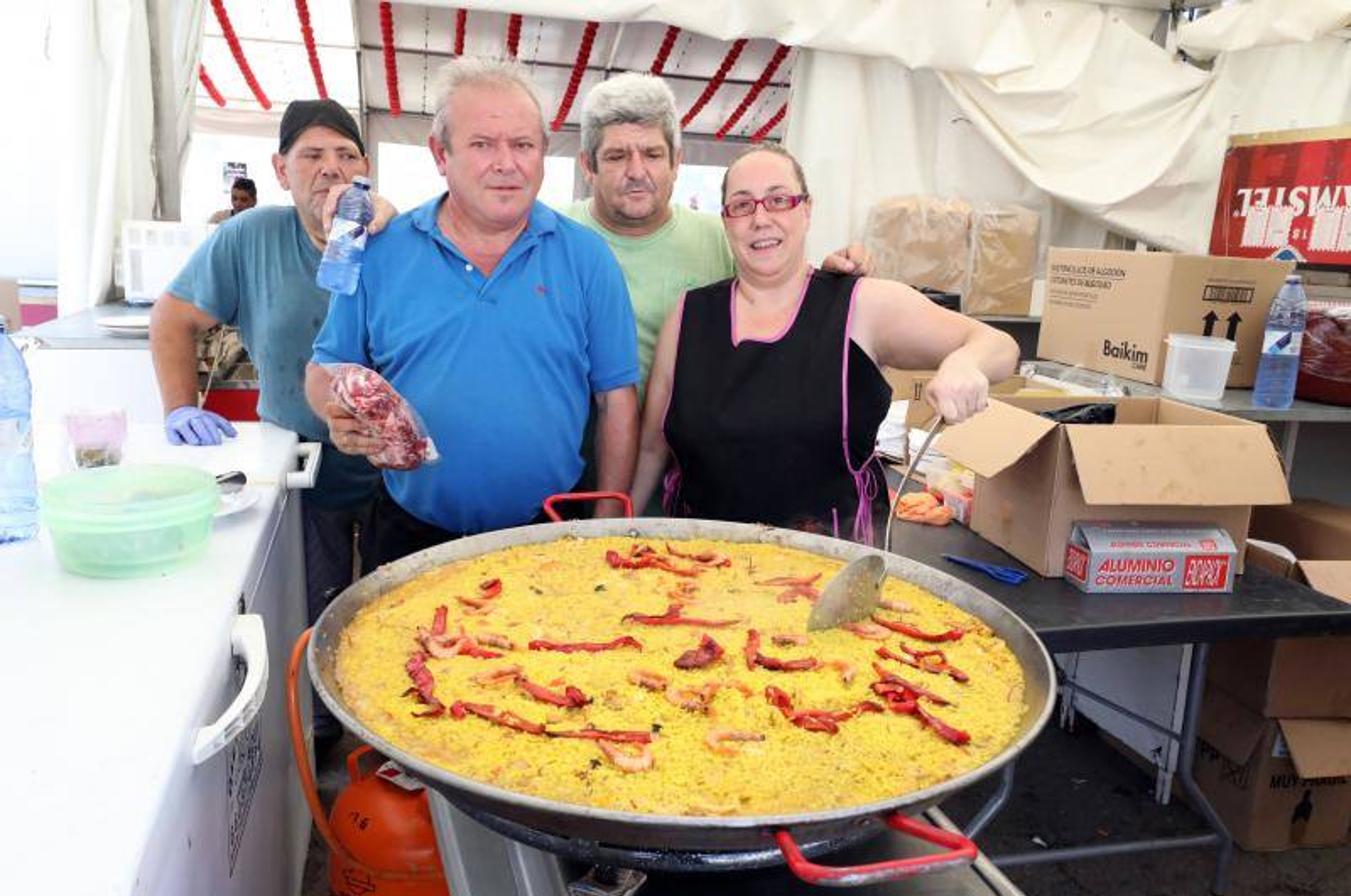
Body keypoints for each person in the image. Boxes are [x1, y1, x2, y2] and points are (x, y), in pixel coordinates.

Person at [305, 57, 639, 567]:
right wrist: (335, 413)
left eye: (523, 145)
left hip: (550, 535)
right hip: (410, 535)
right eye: (482, 144)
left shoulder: (587, 258)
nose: (506, 163)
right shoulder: (381, 250)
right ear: (441, 154)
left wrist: (606, 524)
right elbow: (325, 368)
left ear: (545, 154)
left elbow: (616, 399)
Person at [150, 99, 397, 750]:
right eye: (311, 156)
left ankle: (384, 744)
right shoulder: (249, 237)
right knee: (307, 608)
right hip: (295, 462)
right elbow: (172, 319)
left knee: (388, 611)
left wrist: (392, 227)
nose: (329, 170)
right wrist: (180, 405)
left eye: (345, 155)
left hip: (388, 465)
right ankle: (312, 744)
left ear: (367, 169)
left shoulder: (392, 234)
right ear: (280, 169)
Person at [631, 144, 1019, 547]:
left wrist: (966, 362)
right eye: (742, 205)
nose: (761, 218)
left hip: (829, 577)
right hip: (693, 571)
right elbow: (651, 449)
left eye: (779, 200)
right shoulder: (689, 315)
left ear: (807, 210)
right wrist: (615, 531)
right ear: (726, 220)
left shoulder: (862, 305)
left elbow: (999, 344)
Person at [565, 72, 870, 390]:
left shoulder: (726, 238)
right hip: (572, 441)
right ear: (588, 165)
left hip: (695, 438)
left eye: (653, 154)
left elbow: (786, 299)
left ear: (677, 161)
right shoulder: (552, 239)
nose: (637, 172)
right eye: (617, 156)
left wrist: (831, 281)